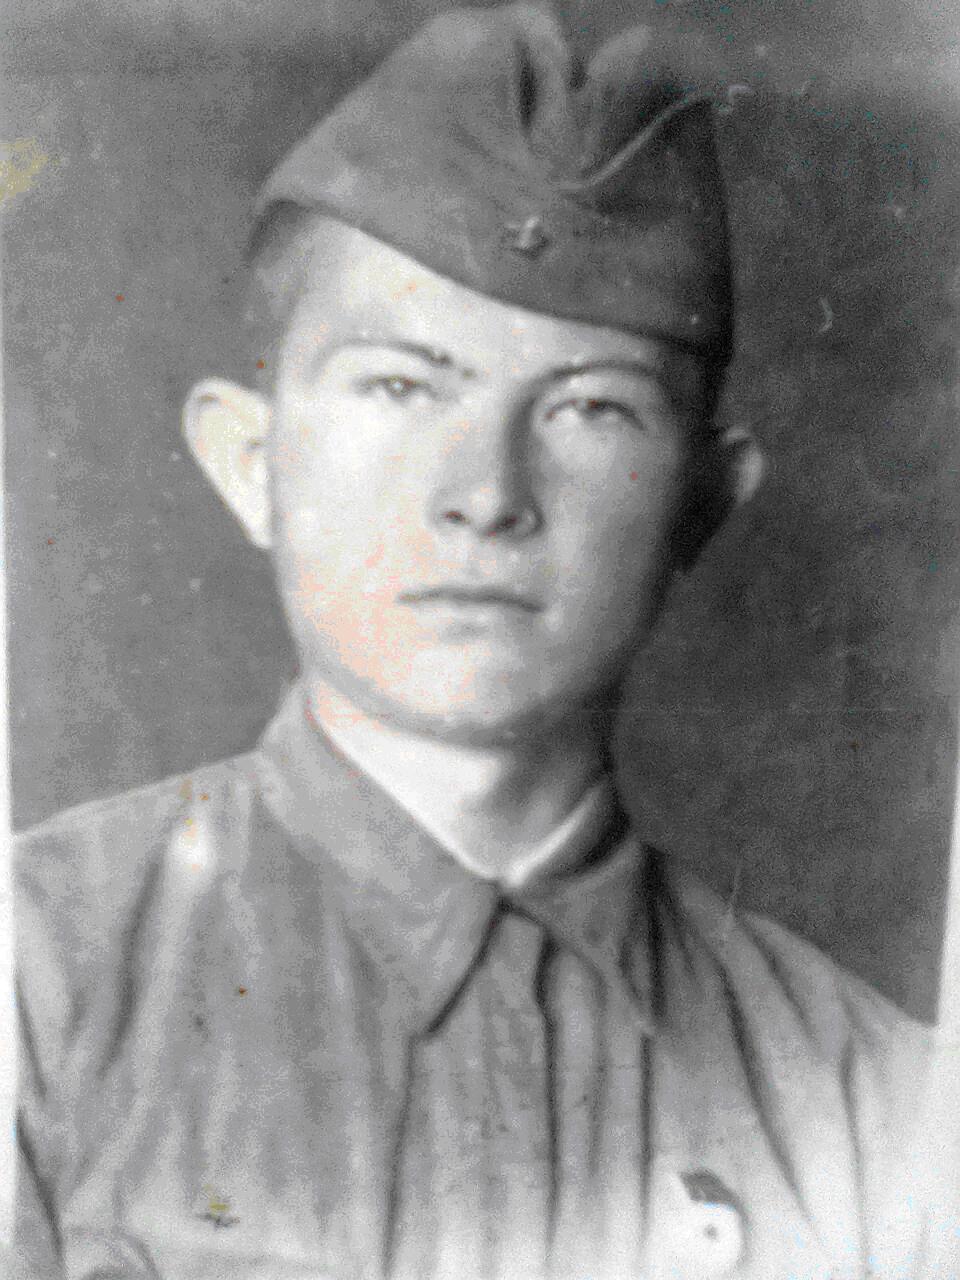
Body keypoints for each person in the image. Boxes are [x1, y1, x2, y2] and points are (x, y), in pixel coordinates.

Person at [14, 6, 937, 1279]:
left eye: (590, 408)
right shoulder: (34, 983)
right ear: (249, 459)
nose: (486, 495)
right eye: (402, 385)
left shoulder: (882, 1108)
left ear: (703, 500)